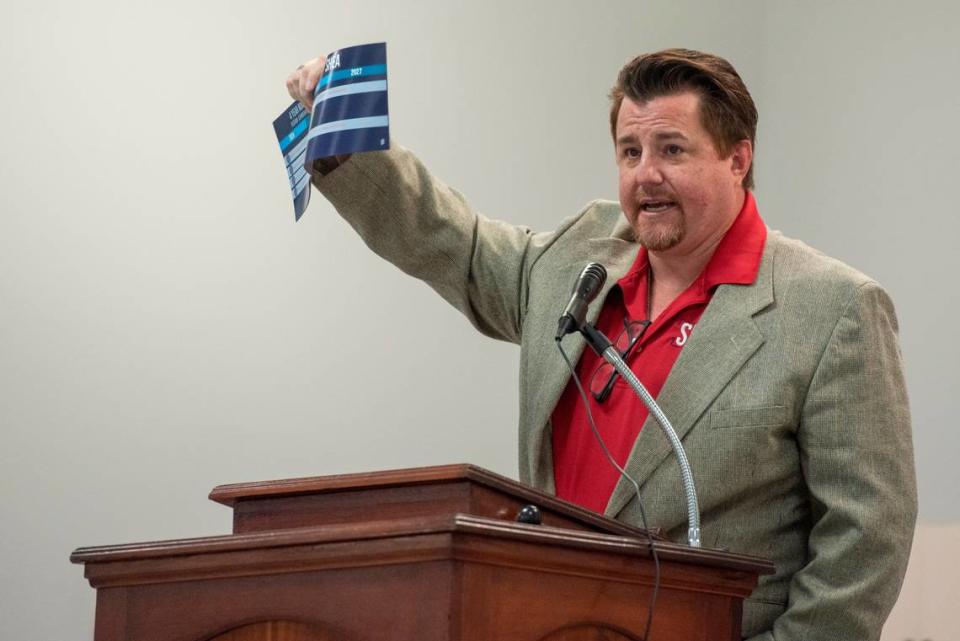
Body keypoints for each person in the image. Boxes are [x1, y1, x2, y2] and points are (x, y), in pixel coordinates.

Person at [286, 48, 916, 640]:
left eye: (672, 149)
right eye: (630, 151)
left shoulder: (832, 308)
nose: (647, 175)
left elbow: (865, 541)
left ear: (737, 158)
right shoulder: (576, 261)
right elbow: (452, 243)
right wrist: (344, 139)